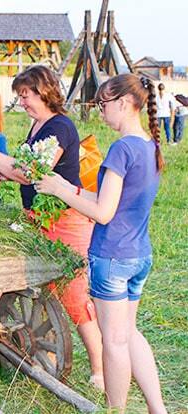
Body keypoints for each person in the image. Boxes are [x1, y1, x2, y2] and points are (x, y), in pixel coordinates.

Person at [0, 65, 104, 390]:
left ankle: (99, 369)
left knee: (74, 295)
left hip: (63, 221)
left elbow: (31, 173)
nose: (21, 101)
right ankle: (45, 353)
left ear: (44, 91)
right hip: (37, 218)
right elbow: (21, 172)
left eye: (25, 95)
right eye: (20, 96)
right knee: (45, 292)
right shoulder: (37, 125)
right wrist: (2, 171)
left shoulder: (61, 127)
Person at [36, 74, 167, 413]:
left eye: (103, 104)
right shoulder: (149, 145)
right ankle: (158, 409)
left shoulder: (121, 148)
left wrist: (62, 191)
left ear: (124, 103)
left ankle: (116, 410)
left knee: (114, 342)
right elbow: (114, 199)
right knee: (130, 333)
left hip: (112, 256)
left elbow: (104, 212)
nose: (100, 112)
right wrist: (71, 189)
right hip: (139, 253)